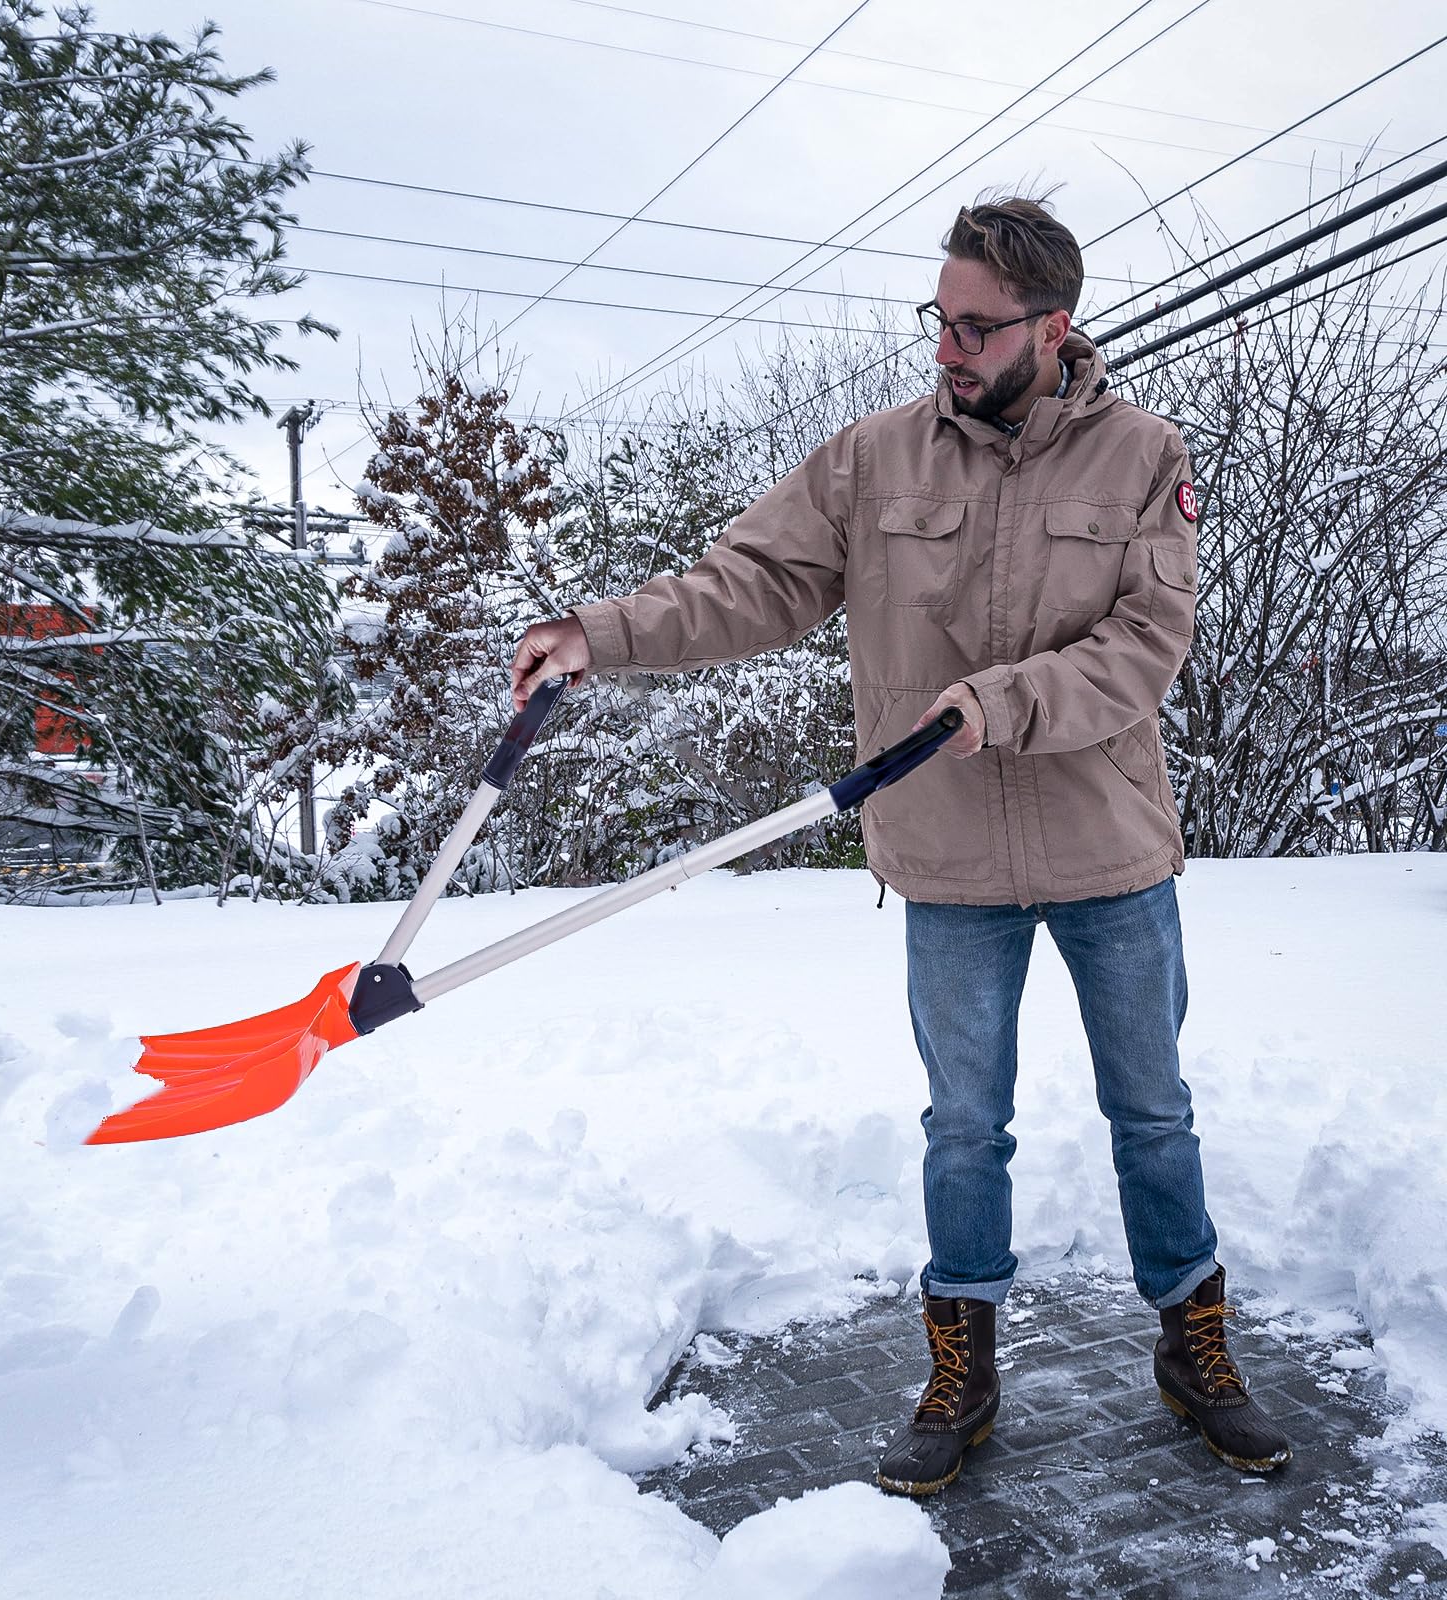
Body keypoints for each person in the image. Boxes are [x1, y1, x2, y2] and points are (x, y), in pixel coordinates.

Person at [509, 195, 1291, 1495]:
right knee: (963, 1126)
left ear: (1053, 327)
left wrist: (1005, 701)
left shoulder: (1145, 455)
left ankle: (1193, 1346)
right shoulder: (875, 459)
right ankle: (960, 1366)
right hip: (945, 855)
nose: (947, 348)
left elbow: (1145, 647)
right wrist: (605, 632)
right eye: (939, 319)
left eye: (976, 327)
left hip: (1107, 848)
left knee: (1152, 1112)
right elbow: (750, 583)